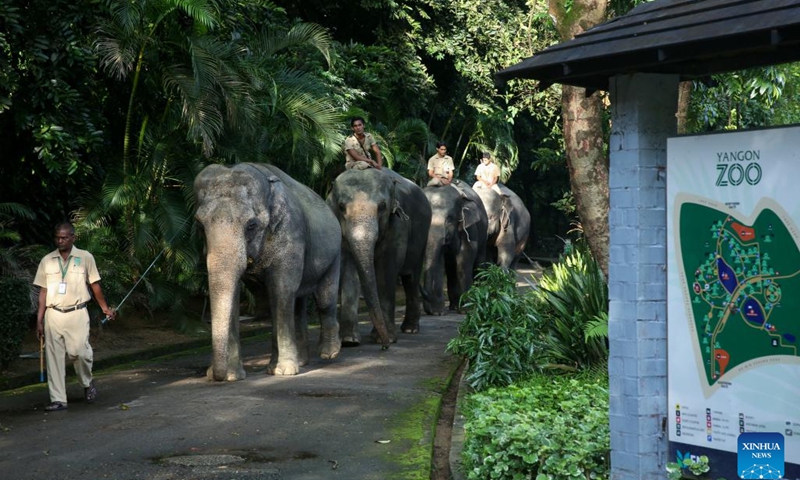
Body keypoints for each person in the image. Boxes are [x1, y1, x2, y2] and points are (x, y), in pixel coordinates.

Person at [34, 221, 116, 412]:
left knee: (80, 352)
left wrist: (105, 308)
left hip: (78, 312)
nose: (59, 241)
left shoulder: (85, 257)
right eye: (57, 237)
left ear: (73, 237)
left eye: (63, 237)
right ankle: (58, 399)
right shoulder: (47, 260)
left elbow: (95, 285)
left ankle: (87, 383)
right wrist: (39, 319)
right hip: (53, 314)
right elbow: (43, 292)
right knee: (53, 358)